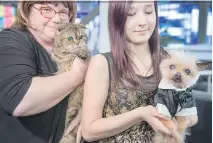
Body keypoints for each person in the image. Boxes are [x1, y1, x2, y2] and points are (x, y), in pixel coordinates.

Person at [81, 1, 173, 143]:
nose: (142, 22)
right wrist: (140, 114)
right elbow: (89, 131)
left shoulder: (169, 62)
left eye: (148, 11)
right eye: (131, 13)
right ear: (117, 17)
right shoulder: (102, 63)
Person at [0, 1, 89, 143]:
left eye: (63, 12)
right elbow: (18, 99)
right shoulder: (11, 40)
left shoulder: (71, 50)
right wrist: (77, 75)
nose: (57, 19)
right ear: (25, 12)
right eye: (46, 9)